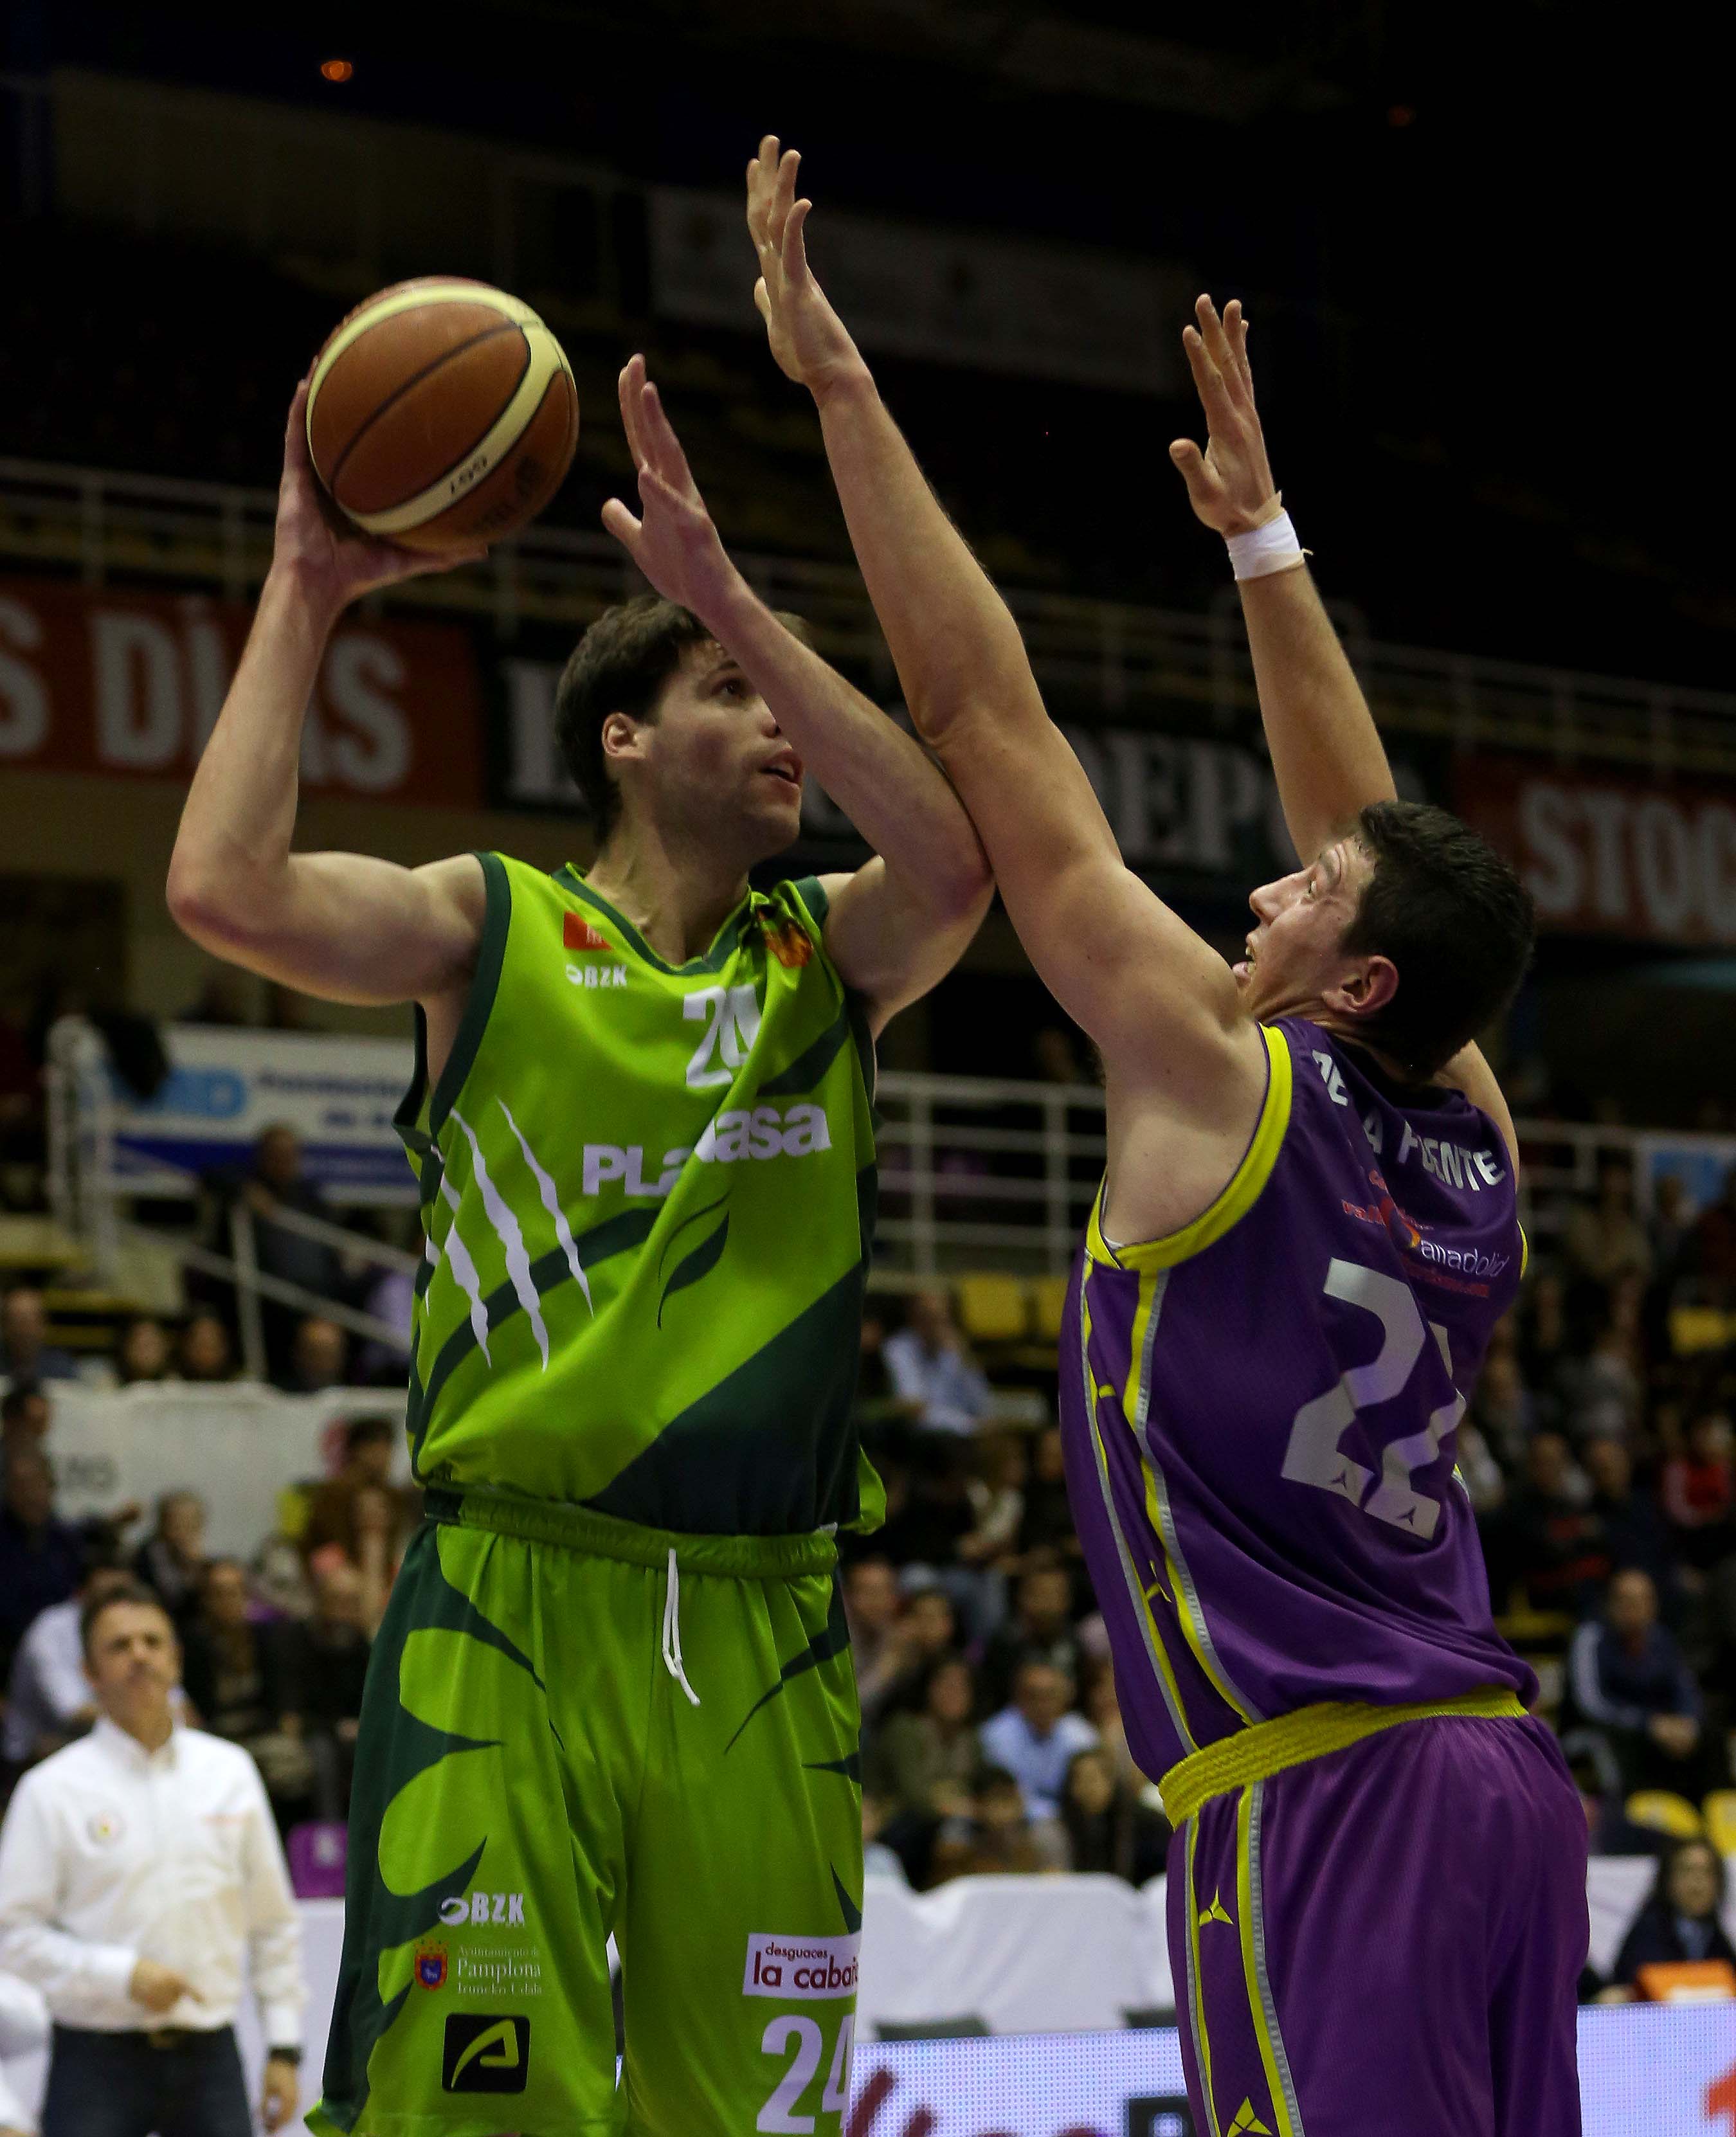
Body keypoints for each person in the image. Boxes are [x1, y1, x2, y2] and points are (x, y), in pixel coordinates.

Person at [741, 143, 1586, 2132]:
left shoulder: (1217, 1067)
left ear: (1353, 979)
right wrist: (1261, 539)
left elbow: (983, 715)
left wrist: (841, 389)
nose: (1268, 891)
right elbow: (1374, 838)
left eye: (1307, 900)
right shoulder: (1478, 1131)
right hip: (1502, 1786)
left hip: (1323, 1795)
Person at [165, 276, 990, 2131]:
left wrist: (739, 607)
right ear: (620, 736)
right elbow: (222, 886)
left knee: (751, 2116)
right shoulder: (491, 924)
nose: (781, 725)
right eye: (729, 693)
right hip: (510, 1608)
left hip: (764, 1619)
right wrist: (303, 585)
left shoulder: (828, 951)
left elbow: (956, 863)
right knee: (470, 2109)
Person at [0, 1579, 303, 2134]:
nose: (139, 1655)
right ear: (90, 1673)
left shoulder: (230, 1772)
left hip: (210, 2055)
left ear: (176, 1660)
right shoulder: (51, 1790)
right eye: (119, 1646)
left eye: (152, 1641)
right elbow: (11, 1935)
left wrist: (284, 2046)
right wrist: (120, 1975)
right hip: (95, 2060)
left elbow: (273, 1920)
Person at [1566, 1567, 1722, 1797]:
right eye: (1626, 1601)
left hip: (1660, 1730)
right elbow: (1591, 1705)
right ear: (1610, 1604)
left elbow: (1686, 1689)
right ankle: (1634, 1812)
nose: (1636, 1608)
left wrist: (1688, 1722)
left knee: (1711, 1735)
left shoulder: (1661, 1638)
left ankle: (1713, 1809)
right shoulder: (1590, 1637)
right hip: (1613, 1730)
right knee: (1625, 1744)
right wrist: (1648, 1724)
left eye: (1644, 1600)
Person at [3, 1560, 132, 1767]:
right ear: (82, 1593)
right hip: (35, 1753)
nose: (114, 1604)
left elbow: (178, 1706)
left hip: (108, 1747)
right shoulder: (49, 1630)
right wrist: (144, 1711)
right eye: (105, 1596)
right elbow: (74, 1714)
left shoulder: (135, 1629)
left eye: (121, 1596)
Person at [1598, 1839, 1736, 2001]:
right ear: (1668, 1880)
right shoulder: (1647, 1934)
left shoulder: (1719, 1940)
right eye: (1688, 1871)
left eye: (1708, 1872)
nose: (1698, 1883)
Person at [977, 1659, 1099, 1821]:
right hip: (1016, 1822)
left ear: (1064, 1698)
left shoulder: (1081, 1735)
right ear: (1018, 1699)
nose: (1042, 1705)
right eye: (1033, 1696)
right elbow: (1004, 1798)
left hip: (1072, 1822)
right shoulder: (997, 1735)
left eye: (1050, 1695)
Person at [0, 1447, 83, 1682]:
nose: (30, 1495)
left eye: (37, 1485)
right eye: (20, 1486)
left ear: (51, 1487)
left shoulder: (66, 1540)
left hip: (62, 1660)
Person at [978, 1562, 1084, 1715]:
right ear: (1021, 1598)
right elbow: (991, 1700)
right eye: (1040, 1594)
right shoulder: (1004, 1643)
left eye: (1054, 1595)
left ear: (1067, 1600)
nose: (1046, 1605)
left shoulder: (1075, 1643)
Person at [929, 1764, 1065, 1882]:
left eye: (1012, 1798)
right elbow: (946, 1877)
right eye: (999, 1799)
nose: (1008, 1809)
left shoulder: (1040, 1830)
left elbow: (1056, 1876)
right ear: (977, 1804)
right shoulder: (960, 1829)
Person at [882, 1290, 993, 1436]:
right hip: (925, 1438)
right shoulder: (898, 1348)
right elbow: (915, 1410)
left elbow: (981, 1404)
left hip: (964, 1433)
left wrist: (964, 1357)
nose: (937, 1327)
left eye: (943, 1319)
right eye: (930, 1318)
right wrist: (969, 1426)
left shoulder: (953, 1350)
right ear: (914, 1318)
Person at [1059, 1745, 1171, 1885]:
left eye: (1092, 1780)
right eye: (1078, 1781)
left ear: (1110, 1781)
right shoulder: (1071, 1825)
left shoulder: (1148, 1824)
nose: (1086, 1789)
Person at [0, 1289, 77, 1385]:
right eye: (16, 1321)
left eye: (31, 1321)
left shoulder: (61, 1366)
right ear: (4, 1326)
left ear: (43, 1325)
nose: (24, 1330)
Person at [174, 1313, 235, 1384]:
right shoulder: (172, 1385)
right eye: (199, 1344)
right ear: (187, 1347)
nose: (205, 1352)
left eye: (212, 1345)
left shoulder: (241, 1385)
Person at [114, 1316, 172, 1387]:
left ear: (165, 1348)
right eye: (138, 1344)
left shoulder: (177, 1387)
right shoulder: (110, 1385)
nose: (145, 1352)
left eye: (151, 1344)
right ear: (127, 1349)